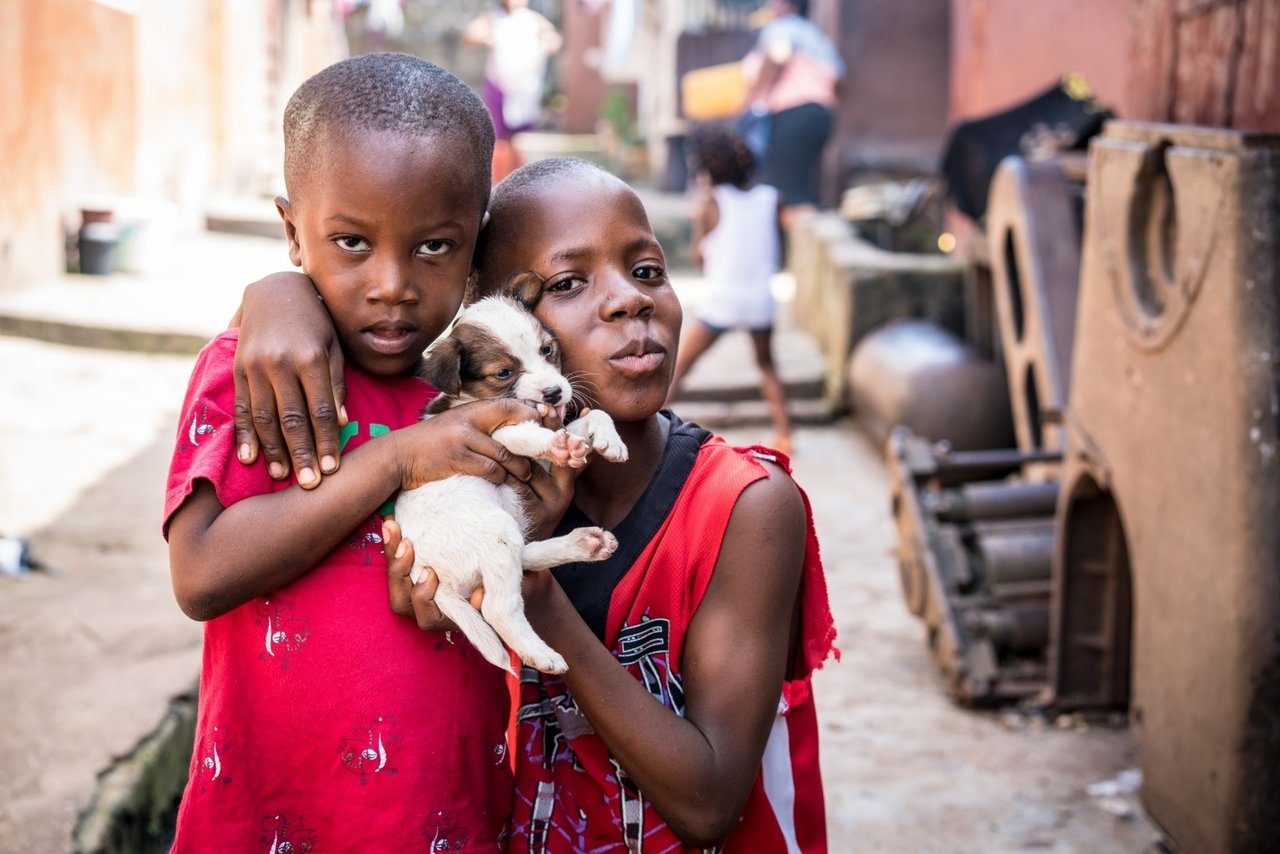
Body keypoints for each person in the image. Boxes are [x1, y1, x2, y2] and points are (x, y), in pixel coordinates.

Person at [233, 158, 839, 852]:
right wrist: (278, 292)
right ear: (495, 324)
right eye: (568, 283)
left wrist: (530, 594)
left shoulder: (746, 507)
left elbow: (709, 804)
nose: (628, 301)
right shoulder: (465, 480)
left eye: (646, 271)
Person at [162, 53, 552, 850]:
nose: (392, 284)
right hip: (268, 816)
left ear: (477, 249)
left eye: (434, 248)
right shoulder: (261, 374)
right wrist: (396, 459)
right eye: (349, 241)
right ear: (292, 233)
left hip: (441, 814)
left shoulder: (474, 399)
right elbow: (200, 575)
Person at [666, 125, 794, 454]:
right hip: (760, 301)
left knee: (680, 367)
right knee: (767, 364)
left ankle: (654, 422)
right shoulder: (771, 197)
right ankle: (786, 432)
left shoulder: (712, 202)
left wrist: (699, 224)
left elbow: (698, 254)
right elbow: (777, 244)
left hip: (723, 303)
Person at [740, 0, 845, 228]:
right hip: (820, 114)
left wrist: (755, 97)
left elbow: (778, 55)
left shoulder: (782, 27)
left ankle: (796, 257)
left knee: (788, 193)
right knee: (801, 188)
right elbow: (838, 77)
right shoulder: (814, 35)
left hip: (792, 114)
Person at [464, 0, 563, 182]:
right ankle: (498, 179)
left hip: (522, 86)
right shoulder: (494, 18)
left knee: (516, 137)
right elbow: (471, 35)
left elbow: (554, 40)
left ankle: (516, 179)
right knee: (499, 135)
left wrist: (546, 43)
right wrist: (491, 37)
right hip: (500, 82)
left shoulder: (533, 19)